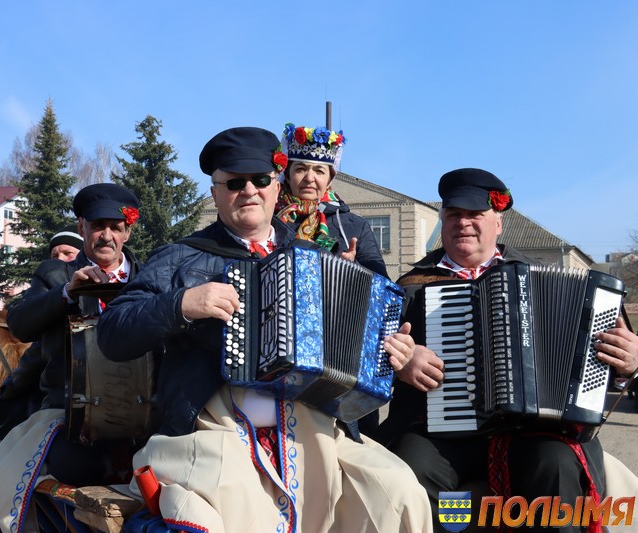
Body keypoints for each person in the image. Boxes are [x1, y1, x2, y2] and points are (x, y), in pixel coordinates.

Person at [98, 126, 432, 532]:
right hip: (216, 423)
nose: (249, 191)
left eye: (260, 180)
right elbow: (113, 333)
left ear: (277, 188)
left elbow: (361, 344)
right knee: (237, 500)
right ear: (215, 193)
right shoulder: (181, 256)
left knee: (398, 492)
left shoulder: (313, 257)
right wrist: (182, 304)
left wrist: (393, 352)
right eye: (234, 183)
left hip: (313, 424)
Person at [375, 168, 638, 531]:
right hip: (438, 432)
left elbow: (603, 360)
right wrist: (401, 362)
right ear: (442, 221)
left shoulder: (537, 276)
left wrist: (629, 361)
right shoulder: (409, 287)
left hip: (529, 430)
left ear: (498, 224)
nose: (463, 223)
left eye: (475, 215)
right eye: (454, 214)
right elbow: (369, 361)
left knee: (557, 464)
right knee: (409, 470)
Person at [0, 183, 143, 531]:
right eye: (98, 226)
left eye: (116, 227)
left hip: (142, 416)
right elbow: (20, 324)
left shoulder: (148, 277)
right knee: (73, 469)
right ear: (82, 227)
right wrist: (67, 292)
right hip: (69, 415)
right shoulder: (54, 275)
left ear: (128, 231)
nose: (106, 236)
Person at [275, 122, 387, 276]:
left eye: (319, 171)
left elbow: (384, 286)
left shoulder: (355, 226)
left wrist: (354, 267)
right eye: (300, 169)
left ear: (330, 179)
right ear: (287, 175)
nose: (309, 178)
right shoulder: (269, 221)